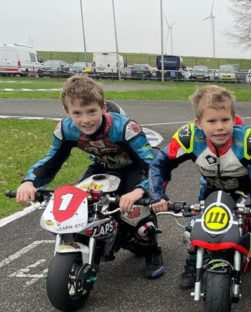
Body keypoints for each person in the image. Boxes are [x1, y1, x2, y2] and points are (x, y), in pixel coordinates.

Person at [15, 75, 165, 279]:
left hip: (134, 168)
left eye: (91, 111)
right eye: (77, 113)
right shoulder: (65, 130)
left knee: (136, 208)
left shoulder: (125, 128)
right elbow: (52, 160)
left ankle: (152, 250)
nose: (85, 120)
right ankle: (89, 243)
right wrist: (29, 182)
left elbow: (153, 165)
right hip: (102, 167)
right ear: (67, 112)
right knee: (79, 202)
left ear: (103, 108)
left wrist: (139, 191)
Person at [150, 85, 251, 290]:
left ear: (234, 119)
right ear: (198, 123)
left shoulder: (249, 141)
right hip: (211, 187)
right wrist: (158, 196)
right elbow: (160, 164)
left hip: (249, 186)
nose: (220, 127)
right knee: (193, 228)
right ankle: (192, 263)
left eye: (225, 120)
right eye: (212, 121)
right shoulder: (188, 137)